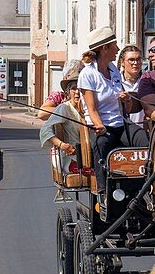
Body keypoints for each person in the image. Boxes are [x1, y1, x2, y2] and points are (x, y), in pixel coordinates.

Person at [78, 26, 126, 195]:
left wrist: (125, 97)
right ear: (105, 48)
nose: (118, 49)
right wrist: (100, 126)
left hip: (120, 123)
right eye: (115, 45)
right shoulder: (88, 74)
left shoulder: (114, 70)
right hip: (102, 126)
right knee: (102, 144)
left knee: (144, 141)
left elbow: (118, 96)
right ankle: (103, 191)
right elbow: (92, 108)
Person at [40, 67, 84, 201]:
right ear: (68, 92)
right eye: (74, 88)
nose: (77, 92)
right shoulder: (64, 108)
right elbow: (45, 130)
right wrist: (62, 145)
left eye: (81, 88)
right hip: (75, 158)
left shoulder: (92, 108)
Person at [117, 44, 147, 144]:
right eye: (131, 60)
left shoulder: (147, 82)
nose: (135, 63)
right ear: (122, 62)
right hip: (122, 133)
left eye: (138, 59)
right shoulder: (115, 83)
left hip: (144, 133)